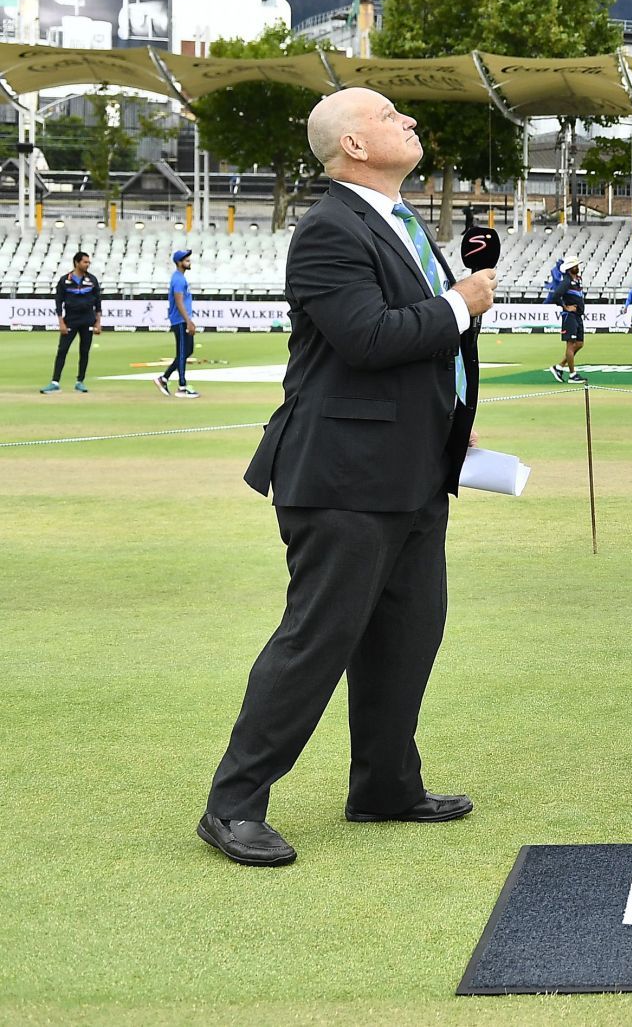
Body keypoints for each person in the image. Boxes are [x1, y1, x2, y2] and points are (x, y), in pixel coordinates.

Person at [199, 87, 495, 867]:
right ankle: (233, 804)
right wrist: (463, 305)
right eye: (392, 116)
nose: (410, 122)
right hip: (341, 477)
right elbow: (366, 337)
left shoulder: (397, 220)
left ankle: (386, 786)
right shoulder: (330, 226)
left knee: (408, 633)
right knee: (317, 639)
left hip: (412, 471)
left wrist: (449, 422)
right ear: (354, 146)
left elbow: (411, 353)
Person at [43, 251, 103, 393]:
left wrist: (98, 322)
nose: (87, 264)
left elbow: (98, 303)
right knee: (62, 350)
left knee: (84, 351)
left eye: (88, 262)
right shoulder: (65, 280)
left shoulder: (92, 280)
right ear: (77, 262)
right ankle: (55, 382)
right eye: (85, 262)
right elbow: (58, 302)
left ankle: (80, 381)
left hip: (88, 319)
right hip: (70, 319)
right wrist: (61, 322)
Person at [156, 249, 200, 398]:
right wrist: (188, 321)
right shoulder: (178, 279)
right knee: (182, 352)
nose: (189, 262)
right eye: (186, 260)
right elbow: (179, 301)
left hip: (182, 319)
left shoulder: (180, 278)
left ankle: (164, 378)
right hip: (180, 320)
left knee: (187, 351)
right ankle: (182, 386)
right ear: (179, 262)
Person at [550, 258, 588, 384]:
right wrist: (565, 307)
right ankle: (572, 375)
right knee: (571, 345)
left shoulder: (576, 280)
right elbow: (556, 295)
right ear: (569, 268)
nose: (577, 267)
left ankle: (559, 367)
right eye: (575, 265)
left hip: (577, 316)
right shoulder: (566, 281)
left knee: (580, 344)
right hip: (569, 316)